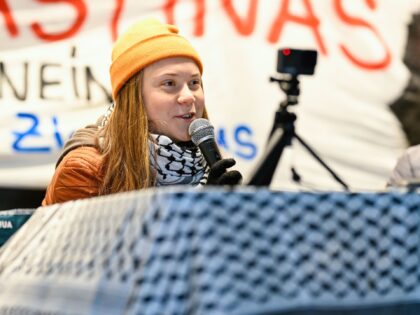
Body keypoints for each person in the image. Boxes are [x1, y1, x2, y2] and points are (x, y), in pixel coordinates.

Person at [42, 18, 242, 206]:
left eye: (194, 83)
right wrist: (200, 211)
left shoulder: (206, 164)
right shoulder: (83, 170)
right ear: (135, 99)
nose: (189, 96)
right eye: (169, 83)